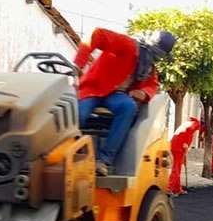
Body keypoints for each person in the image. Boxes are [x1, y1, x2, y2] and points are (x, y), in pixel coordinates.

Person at [74, 27, 177, 176]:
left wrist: (143, 92)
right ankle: (70, 154)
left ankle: (103, 161)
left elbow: (152, 85)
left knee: (127, 106)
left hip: (115, 95)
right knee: (79, 115)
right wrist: (78, 64)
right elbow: (96, 35)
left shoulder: (148, 67)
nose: (157, 59)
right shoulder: (127, 45)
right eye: (158, 55)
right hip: (93, 89)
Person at [169, 117, 201, 195]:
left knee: (177, 168)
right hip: (179, 148)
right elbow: (190, 132)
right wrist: (186, 143)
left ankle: (177, 188)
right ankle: (170, 188)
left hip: (176, 146)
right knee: (176, 169)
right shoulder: (194, 124)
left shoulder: (187, 123)